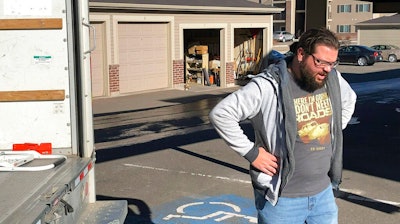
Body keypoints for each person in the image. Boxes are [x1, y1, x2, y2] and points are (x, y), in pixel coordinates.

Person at [209, 28, 357, 224]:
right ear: (301, 54)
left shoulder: (332, 79)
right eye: (321, 62)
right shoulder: (268, 85)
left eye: (332, 63)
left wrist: (333, 131)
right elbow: (221, 114)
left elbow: (349, 100)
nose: (327, 69)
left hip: (323, 194)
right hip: (282, 201)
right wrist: (252, 153)